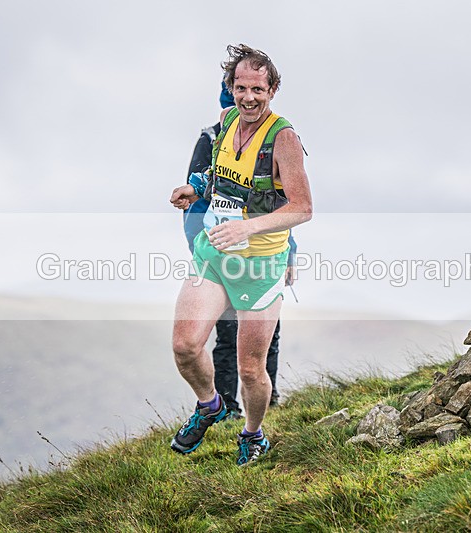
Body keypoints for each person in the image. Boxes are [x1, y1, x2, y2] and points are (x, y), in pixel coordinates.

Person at [169, 44, 312, 465]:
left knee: (252, 370)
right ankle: (209, 404)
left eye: (258, 89)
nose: (248, 97)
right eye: (241, 87)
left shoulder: (283, 138)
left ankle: (252, 434)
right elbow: (218, 174)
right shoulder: (227, 120)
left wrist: (247, 227)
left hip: (262, 266)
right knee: (184, 346)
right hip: (216, 254)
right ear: (230, 88)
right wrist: (196, 189)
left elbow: (302, 208)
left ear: (272, 90)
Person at [183, 80, 298, 418]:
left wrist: (289, 252)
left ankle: (265, 402)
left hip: (264, 257)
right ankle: (226, 406)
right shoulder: (211, 139)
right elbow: (199, 197)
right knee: (228, 331)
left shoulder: (272, 140)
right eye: (237, 94)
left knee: (266, 335)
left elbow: (280, 203)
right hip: (221, 256)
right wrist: (205, 253)